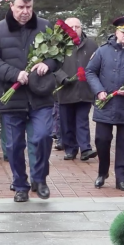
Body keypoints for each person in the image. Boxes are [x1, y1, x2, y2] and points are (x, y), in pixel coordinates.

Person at [0, 0, 59, 203]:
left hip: (40, 96)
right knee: (14, 145)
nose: (25, 12)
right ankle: (20, 185)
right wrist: (15, 74)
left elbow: (59, 55)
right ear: (11, 6)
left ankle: (40, 179)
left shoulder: (45, 26)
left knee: (43, 136)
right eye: (20, 7)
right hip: (11, 96)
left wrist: (48, 63)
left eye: (28, 7)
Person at [86, 16, 124, 191]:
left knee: (123, 144)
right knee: (101, 140)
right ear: (116, 32)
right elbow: (90, 72)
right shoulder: (102, 51)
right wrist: (99, 90)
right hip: (105, 104)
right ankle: (102, 172)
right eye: (123, 32)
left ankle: (121, 178)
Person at [54, 17, 98, 161]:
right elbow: (53, 66)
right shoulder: (59, 45)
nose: (74, 29)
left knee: (82, 120)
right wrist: (62, 77)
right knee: (66, 122)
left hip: (84, 90)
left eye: (77, 26)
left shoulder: (91, 45)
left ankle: (85, 148)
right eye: (71, 27)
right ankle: (70, 148)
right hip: (65, 89)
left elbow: (98, 64)